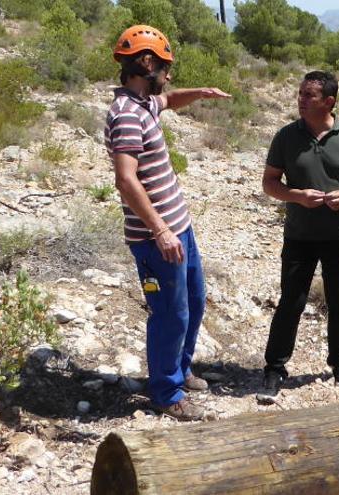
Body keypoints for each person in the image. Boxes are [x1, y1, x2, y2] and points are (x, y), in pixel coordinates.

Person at [104, 25, 231, 420]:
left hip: (179, 228)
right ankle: (166, 392)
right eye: (165, 66)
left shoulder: (143, 103)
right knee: (169, 314)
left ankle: (181, 368)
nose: (169, 75)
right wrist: (160, 230)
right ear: (146, 63)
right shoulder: (125, 114)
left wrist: (203, 92)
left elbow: (170, 99)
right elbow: (125, 179)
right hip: (156, 238)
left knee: (193, 302)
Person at [260, 70, 339, 397]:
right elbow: (269, 183)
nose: (300, 100)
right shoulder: (286, 136)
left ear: (328, 101)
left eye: (308, 95)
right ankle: (274, 370)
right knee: (291, 302)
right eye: (300, 93)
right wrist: (297, 196)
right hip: (300, 236)